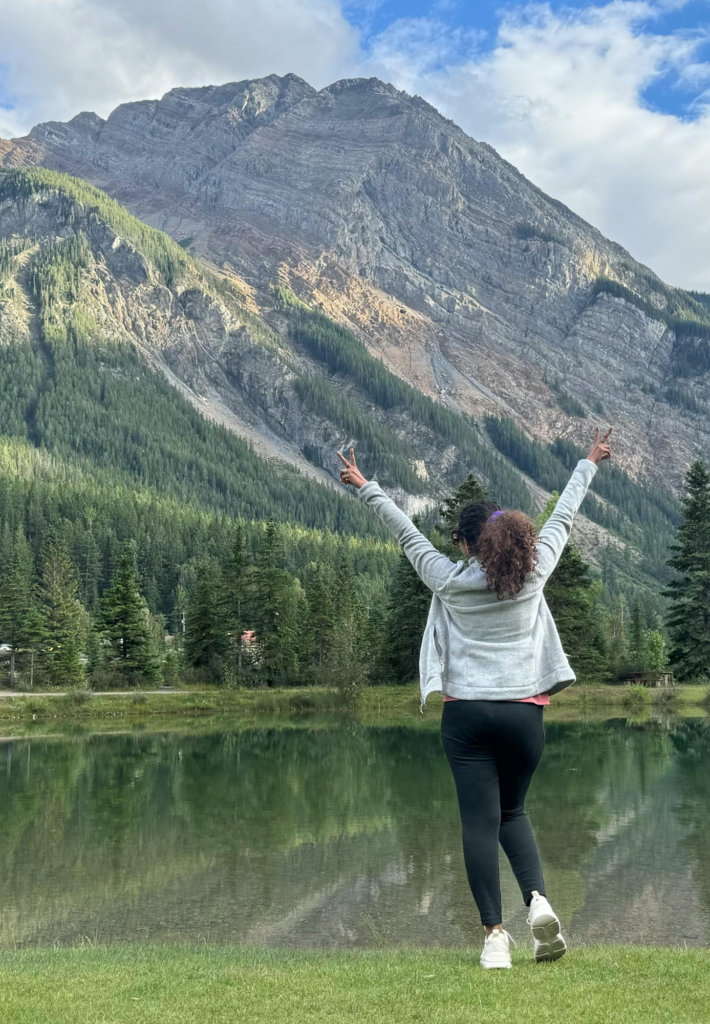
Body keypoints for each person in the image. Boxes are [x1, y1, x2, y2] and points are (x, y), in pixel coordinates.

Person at [337, 427, 612, 969]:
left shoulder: (447, 579)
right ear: (513, 540)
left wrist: (365, 484)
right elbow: (562, 518)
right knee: (513, 810)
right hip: (524, 716)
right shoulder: (534, 575)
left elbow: (406, 533)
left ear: (465, 544)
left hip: (465, 716)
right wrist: (588, 463)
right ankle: (538, 902)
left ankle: (494, 938)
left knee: (479, 821)